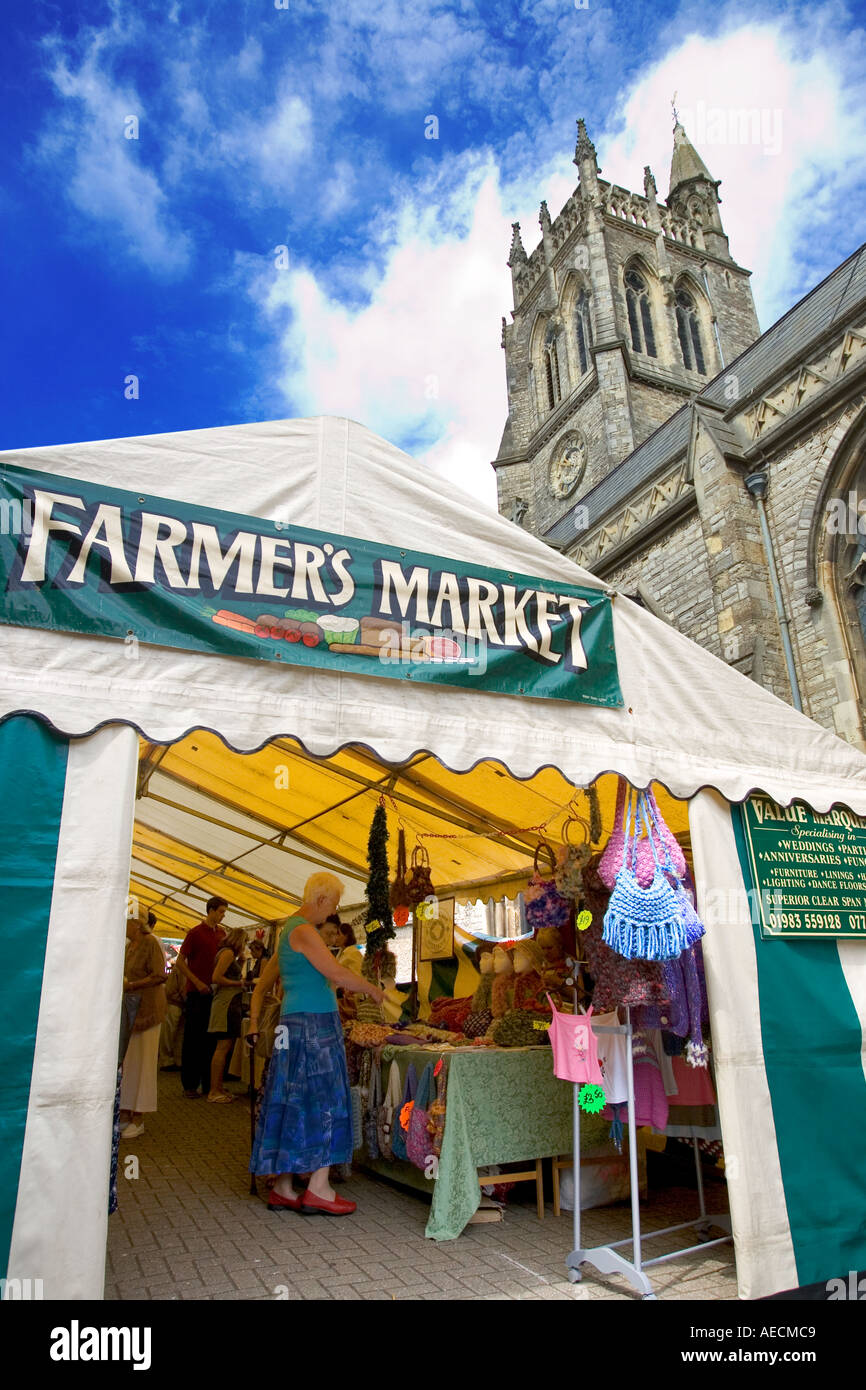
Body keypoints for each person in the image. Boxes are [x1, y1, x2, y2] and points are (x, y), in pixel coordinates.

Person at [247, 872, 384, 1215]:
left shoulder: (288, 930)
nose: (332, 913)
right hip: (315, 1024)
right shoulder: (305, 931)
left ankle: (283, 1184)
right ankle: (319, 1188)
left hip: (294, 1021)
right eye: (333, 904)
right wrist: (372, 989)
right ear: (321, 899)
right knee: (326, 1098)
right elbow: (336, 973)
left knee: (294, 1097)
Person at [120, 910, 167, 1138]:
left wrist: (132, 984)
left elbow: (160, 974)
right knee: (130, 1064)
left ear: (136, 924)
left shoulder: (151, 942)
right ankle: (126, 1112)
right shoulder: (130, 945)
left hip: (148, 1010)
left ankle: (139, 1117)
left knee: (144, 1065)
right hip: (132, 1011)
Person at [176, 896, 227, 1098]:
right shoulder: (195, 933)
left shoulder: (222, 934)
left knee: (210, 1040)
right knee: (193, 1039)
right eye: (221, 911)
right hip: (196, 994)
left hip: (214, 994)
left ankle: (209, 1084)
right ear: (211, 910)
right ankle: (189, 1084)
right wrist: (196, 982)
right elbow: (180, 962)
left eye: (225, 912)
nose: (223, 915)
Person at [206, 927, 247, 1102]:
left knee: (225, 1047)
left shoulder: (228, 954)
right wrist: (238, 983)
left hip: (228, 1002)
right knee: (222, 1048)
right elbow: (216, 977)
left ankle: (218, 1087)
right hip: (226, 1004)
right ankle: (214, 1090)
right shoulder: (228, 954)